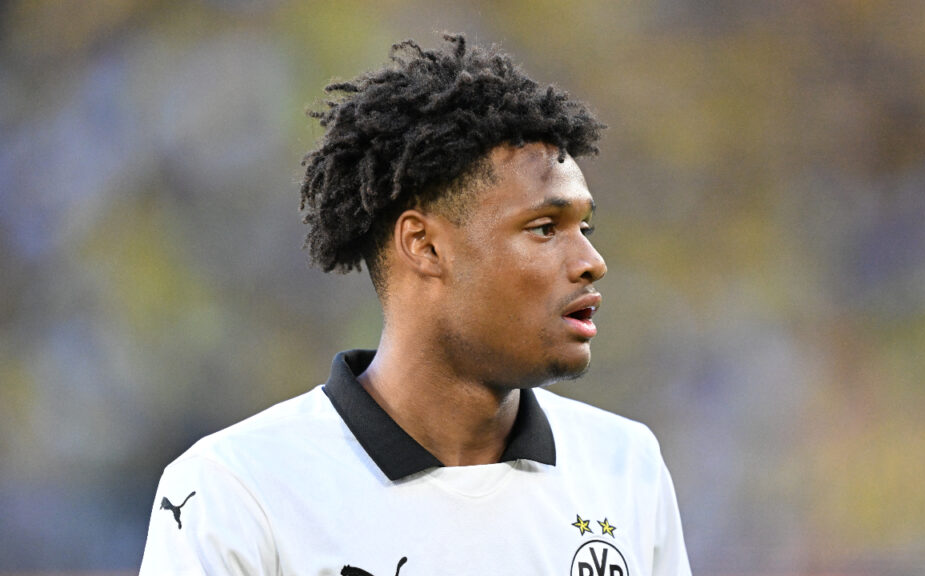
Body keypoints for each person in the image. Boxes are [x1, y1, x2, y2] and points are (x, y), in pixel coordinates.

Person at [140, 34, 692, 575]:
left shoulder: (625, 466)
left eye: (584, 227)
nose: (592, 261)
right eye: (545, 228)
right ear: (424, 246)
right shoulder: (236, 490)